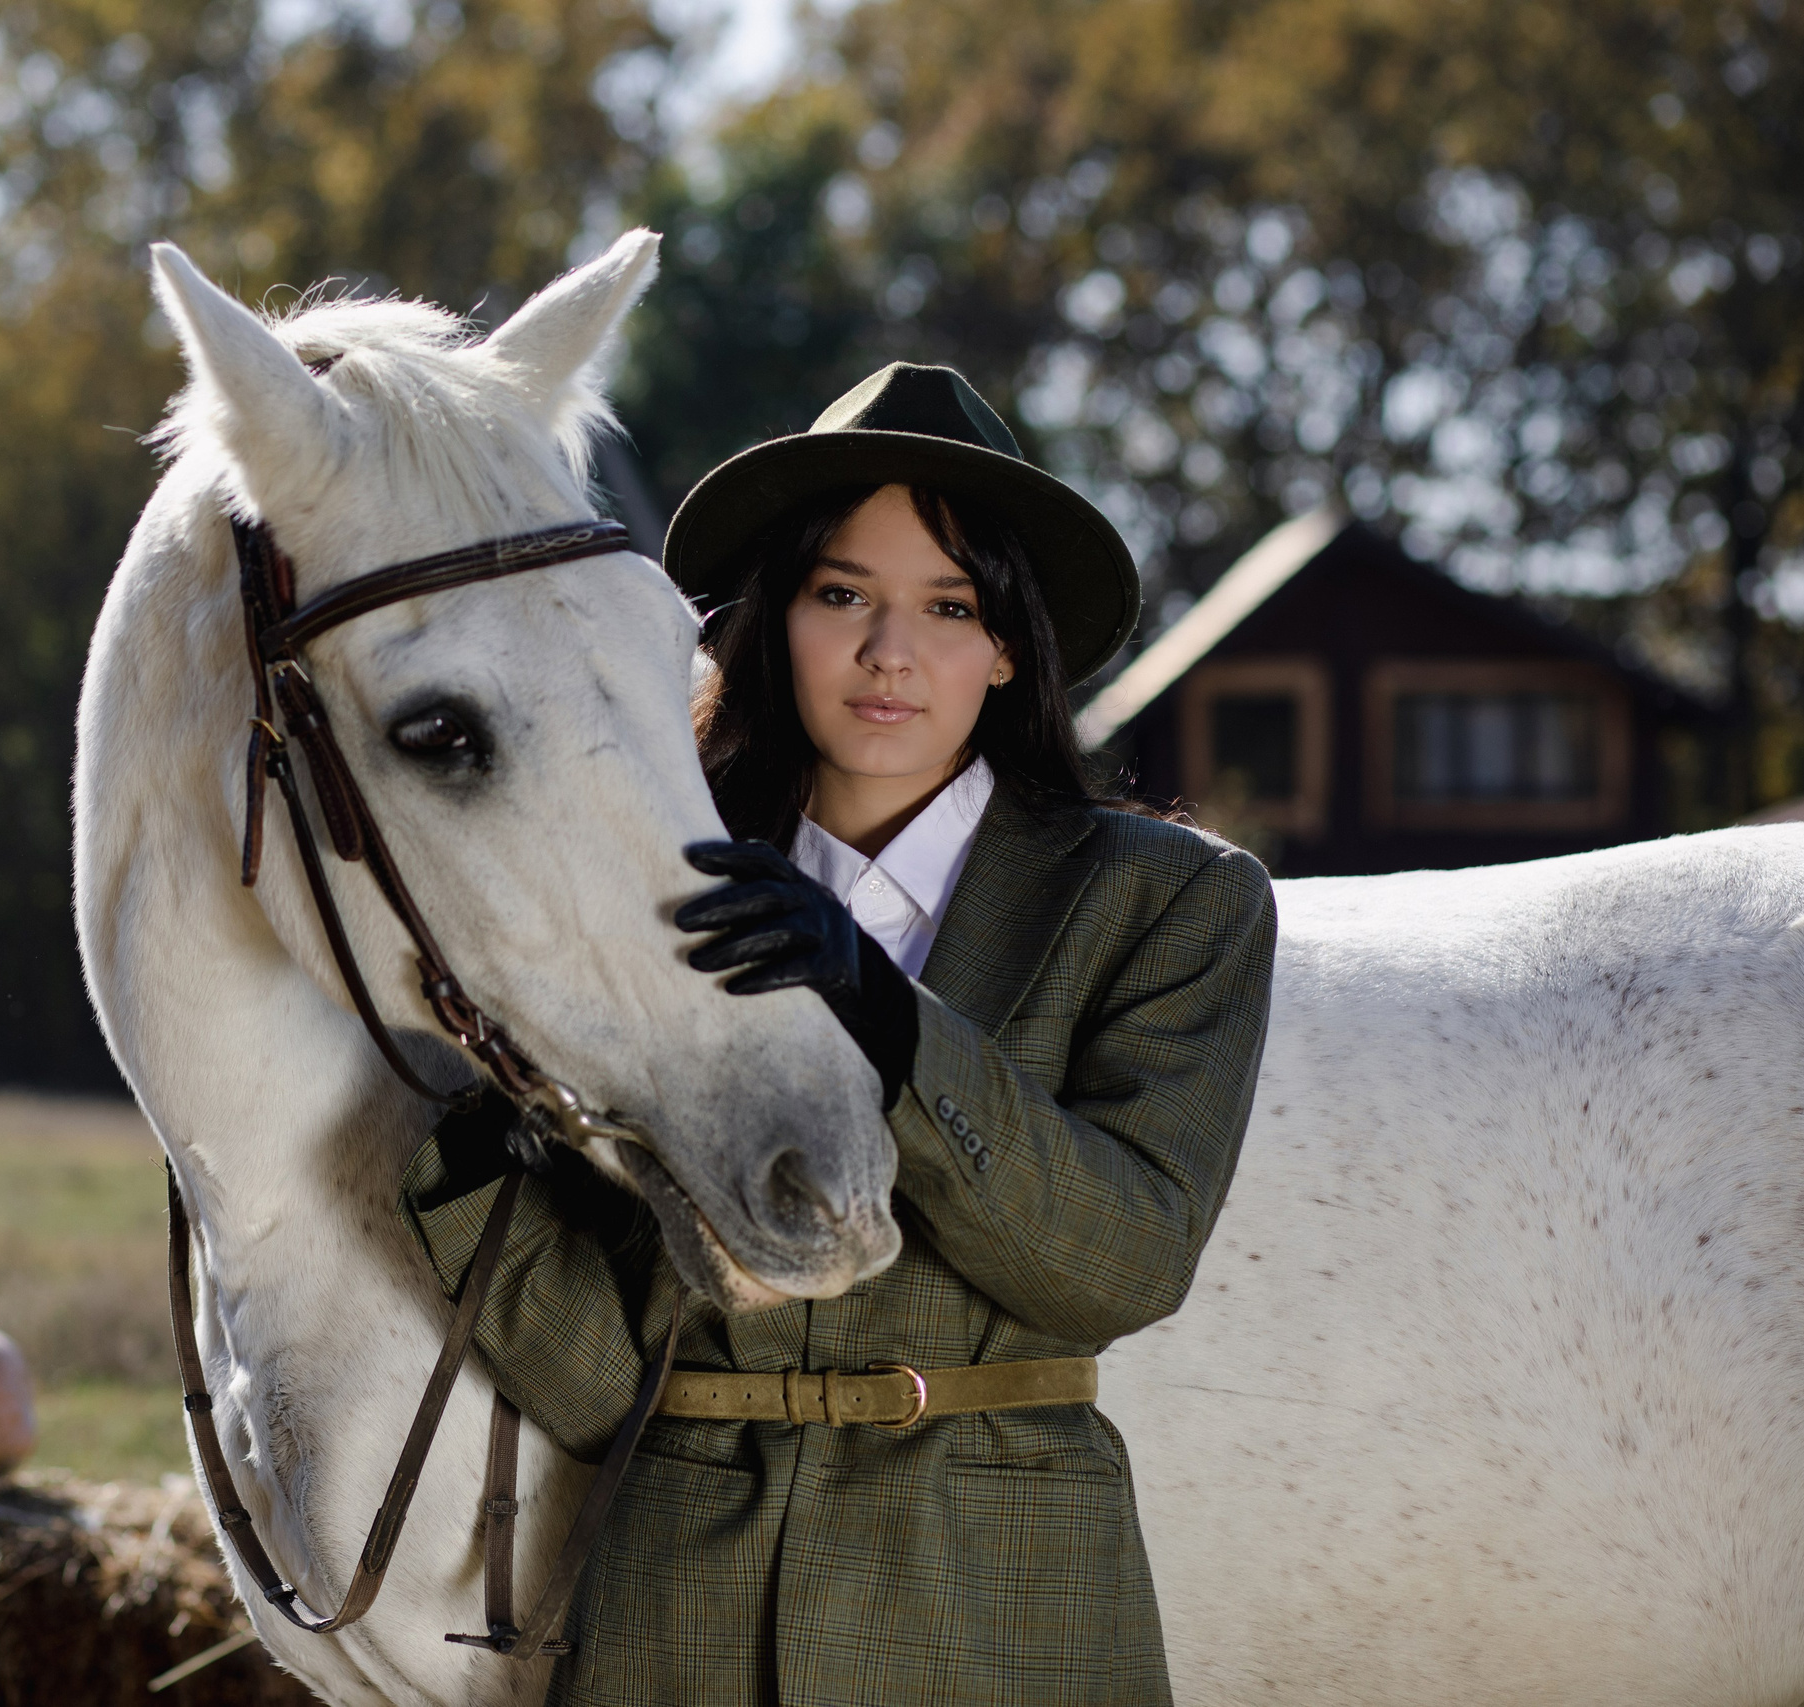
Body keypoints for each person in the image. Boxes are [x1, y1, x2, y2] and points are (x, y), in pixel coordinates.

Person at [398, 362, 1277, 1704]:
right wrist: (455, 1134)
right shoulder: (642, 908)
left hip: (1011, 1603)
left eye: (949, 605)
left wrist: (883, 1013)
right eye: (842, 595)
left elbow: (1124, 1261)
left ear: (1007, 648)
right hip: (677, 1617)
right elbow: (590, 1386)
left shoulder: (1172, 904)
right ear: (769, 624)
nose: (889, 652)